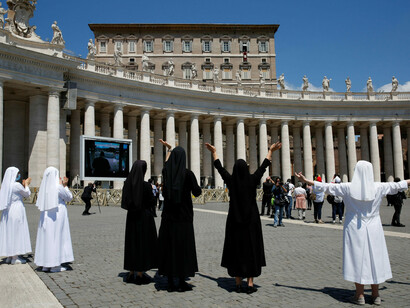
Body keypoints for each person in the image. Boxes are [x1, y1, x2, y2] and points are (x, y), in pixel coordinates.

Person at [295, 161, 410, 305]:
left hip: (354, 226)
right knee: (375, 257)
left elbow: (326, 187)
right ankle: (376, 295)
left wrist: (305, 181)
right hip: (374, 227)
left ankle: (360, 295)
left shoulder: (347, 187)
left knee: (357, 258)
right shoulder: (379, 186)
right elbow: (399, 185)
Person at [205, 141, 281, 293]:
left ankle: (238, 283)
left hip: (234, 221)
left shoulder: (231, 181)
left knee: (236, 250)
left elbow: (220, 168)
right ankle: (250, 283)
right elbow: (263, 167)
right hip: (251, 221)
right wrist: (270, 151)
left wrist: (214, 152)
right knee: (251, 249)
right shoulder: (252, 180)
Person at [157, 140, 202, 292]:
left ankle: (170, 281)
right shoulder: (188, 174)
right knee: (183, 249)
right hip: (184, 218)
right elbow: (197, 192)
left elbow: (166, 165)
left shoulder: (166, 173)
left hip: (169, 218)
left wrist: (169, 150)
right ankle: (182, 281)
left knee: (169, 248)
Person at [121, 160, 158, 284]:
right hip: (144, 219)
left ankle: (131, 272)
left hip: (131, 218)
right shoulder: (146, 186)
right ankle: (141, 274)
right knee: (143, 244)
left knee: (132, 244)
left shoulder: (127, 184)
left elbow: (125, 201)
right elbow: (152, 202)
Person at [34, 167, 74, 272]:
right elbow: (69, 197)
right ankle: (55, 264)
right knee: (57, 237)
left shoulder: (45, 187)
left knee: (47, 238)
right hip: (57, 214)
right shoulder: (58, 187)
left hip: (46, 215)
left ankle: (46, 264)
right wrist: (65, 186)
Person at [0, 167, 32, 265]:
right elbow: (27, 194)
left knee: (10, 231)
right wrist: (26, 184)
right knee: (17, 232)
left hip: (8, 211)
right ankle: (15, 257)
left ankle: (10, 255)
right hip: (17, 209)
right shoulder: (16, 185)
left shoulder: (6, 185)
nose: (19, 175)